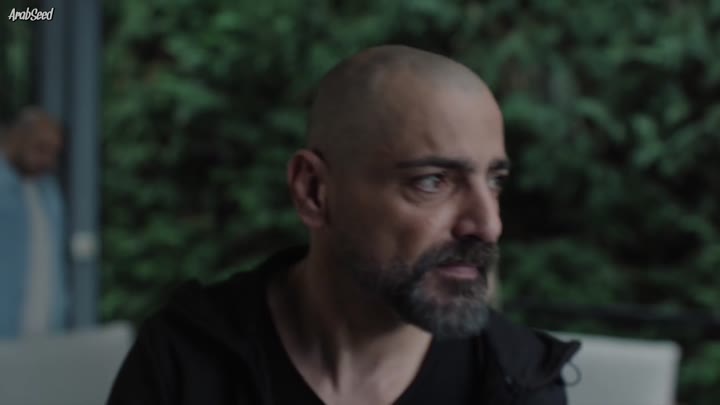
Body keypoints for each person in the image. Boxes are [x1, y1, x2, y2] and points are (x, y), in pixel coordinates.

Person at [108, 45, 580, 405]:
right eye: (432, 181)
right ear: (314, 190)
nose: (489, 224)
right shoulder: (185, 363)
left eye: (495, 181)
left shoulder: (518, 382)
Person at [0, 107, 68, 338]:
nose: (48, 160)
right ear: (16, 139)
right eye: (40, 148)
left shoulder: (49, 192)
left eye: (54, 152)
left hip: (46, 331)